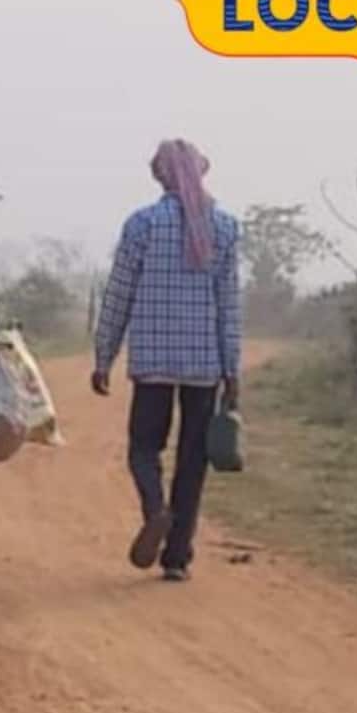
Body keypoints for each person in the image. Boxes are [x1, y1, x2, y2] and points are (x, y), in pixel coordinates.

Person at [91, 138, 243, 582]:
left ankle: (156, 509)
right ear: (202, 172)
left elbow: (118, 295)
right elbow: (228, 305)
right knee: (193, 459)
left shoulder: (142, 225)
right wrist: (231, 371)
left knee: (144, 447)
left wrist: (104, 356)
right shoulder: (225, 228)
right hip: (204, 366)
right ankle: (177, 557)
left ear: (159, 176)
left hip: (152, 362)